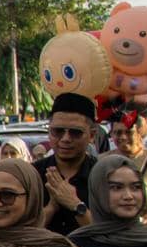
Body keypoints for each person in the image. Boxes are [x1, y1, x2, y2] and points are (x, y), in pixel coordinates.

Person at [34, 93, 99, 235]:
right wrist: (51, 208)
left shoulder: (103, 176)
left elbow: (108, 236)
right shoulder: (33, 174)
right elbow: (22, 234)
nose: (65, 139)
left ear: (92, 135)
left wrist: (75, 204)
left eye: (75, 132)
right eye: (57, 131)